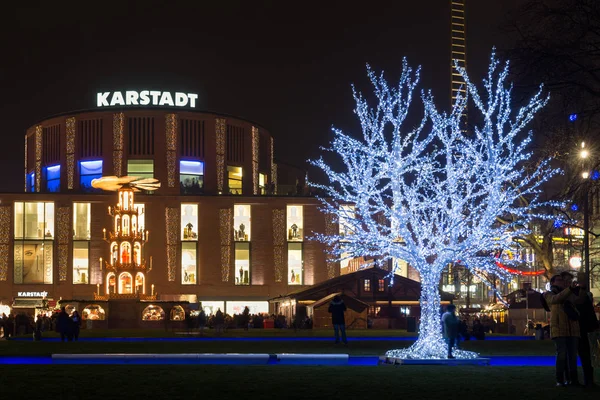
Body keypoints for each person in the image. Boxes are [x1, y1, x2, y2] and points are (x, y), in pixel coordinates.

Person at [543, 273, 586, 387]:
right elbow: (556, 299)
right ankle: (560, 380)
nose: (561, 281)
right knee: (561, 354)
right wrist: (570, 289)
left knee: (572, 356)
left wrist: (582, 289)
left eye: (562, 280)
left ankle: (573, 380)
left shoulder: (568, 293)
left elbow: (578, 300)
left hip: (572, 328)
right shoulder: (548, 294)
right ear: (552, 283)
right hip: (559, 328)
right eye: (558, 280)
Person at [562, 272, 599, 387]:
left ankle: (588, 380)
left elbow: (587, 309)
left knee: (585, 354)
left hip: (582, 327)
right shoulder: (567, 294)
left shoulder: (578, 292)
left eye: (570, 280)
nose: (569, 282)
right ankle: (574, 380)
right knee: (572, 355)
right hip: (573, 327)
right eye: (566, 280)